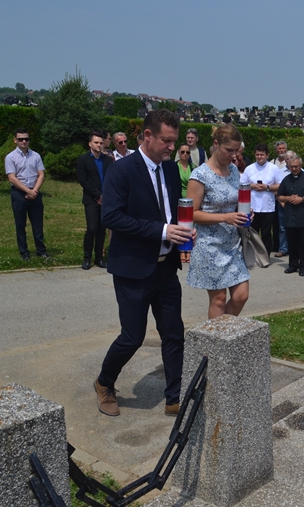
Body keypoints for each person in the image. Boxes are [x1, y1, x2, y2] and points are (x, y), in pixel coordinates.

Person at [95, 109, 194, 417]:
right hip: (133, 268)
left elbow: (171, 211)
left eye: (175, 141)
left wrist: (183, 234)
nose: (172, 147)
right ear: (147, 135)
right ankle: (104, 382)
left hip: (165, 268)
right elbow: (111, 217)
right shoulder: (121, 170)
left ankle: (174, 397)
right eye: (167, 141)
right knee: (132, 337)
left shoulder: (169, 169)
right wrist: (162, 231)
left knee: (173, 333)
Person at [187, 124, 251, 319]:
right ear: (216, 144)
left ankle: (223, 332)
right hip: (209, 244)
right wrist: (226, 217)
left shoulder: (234, 170)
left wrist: (245, 213)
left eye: (236, 150)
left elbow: (234, 202)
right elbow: (191, 214)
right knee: (219, 299)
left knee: (241, 295)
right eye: (229, 150)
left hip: (232, 243)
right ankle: (217, 336)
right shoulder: (200, 175)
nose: (234, 155)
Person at [5, 129, 48, 261]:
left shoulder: (36, 156)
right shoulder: (10, 157)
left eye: (26, 139)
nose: (24, 141)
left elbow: (41, 174)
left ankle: (41, 251)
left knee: (38, 224)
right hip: (19, 193)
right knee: (20, 224)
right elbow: (12, 178)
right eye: (20, 139)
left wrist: (34, 190)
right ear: (15, 140)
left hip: (35, 192)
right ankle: (24, 252)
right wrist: (28, 191)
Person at [277, 154, 304, 276]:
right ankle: (293, 265)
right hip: (290, 216)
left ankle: (303, 266)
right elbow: (279, 196)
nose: (294, 169)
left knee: (303, 243)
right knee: (292, 243)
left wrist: (302, 199)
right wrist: (288, 198)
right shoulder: (286, 179)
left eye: (296, 166)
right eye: (291, 167)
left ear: (301, 165)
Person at [77, 131, 113, 270]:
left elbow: (111, 180)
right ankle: (87, 258)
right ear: (90, 144)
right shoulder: (83, 160)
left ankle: (99, 258)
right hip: (91, 199)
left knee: (101, 230)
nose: (99, 145)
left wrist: (105, 196)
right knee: (91, 229)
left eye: (101, 143)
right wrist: (98, 195)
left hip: (105, 199)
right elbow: (83, 181)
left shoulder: (108, 160)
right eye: (96, 142)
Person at [240, 143, 282, 255]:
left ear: (267, 155)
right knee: (251, 233)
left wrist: (267, 187)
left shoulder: (274, 168)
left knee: (266, 234)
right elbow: (241, 185)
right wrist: (252, 186)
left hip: (267, 207)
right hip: (252, 207)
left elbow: (280, 185)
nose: (259, 157)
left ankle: (265, 256)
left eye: (262, 155)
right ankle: (252, 256)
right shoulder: (249, 168)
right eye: (257, 155)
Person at [177, 144, 193, 264]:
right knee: (180, 225)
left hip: (191, 198)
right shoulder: (174, 166)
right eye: (182, 152)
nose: (185, 154)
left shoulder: (193, 167)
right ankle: (182, 250)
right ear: (178, 153)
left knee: (191, 225)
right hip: (178, 198)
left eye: (187, 152)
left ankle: (189, 249)